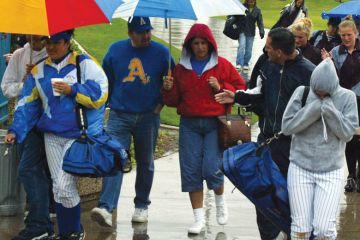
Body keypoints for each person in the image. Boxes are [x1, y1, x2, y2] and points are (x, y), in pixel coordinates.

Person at [4, 29, 108, 240]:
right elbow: (27, 104)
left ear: (67, 41)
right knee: (57, 187)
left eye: (56, 43)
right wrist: (15, 130)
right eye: (48, 42)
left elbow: (102, 93)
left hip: (75, 136)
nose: (50, 47)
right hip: (51, 135)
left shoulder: (84, 64)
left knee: (64, 185)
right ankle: (68, 232)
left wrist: (73, 90)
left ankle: (74, 230)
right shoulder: (39, 70)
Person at [215, 27, 315, 240]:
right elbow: (257, 92)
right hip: (267, 142)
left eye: (269, 48)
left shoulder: (309, 72)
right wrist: (237, 97)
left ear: (279, 51)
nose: (265, 50)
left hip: (296, 149)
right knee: (263, 196)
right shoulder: (267, 64)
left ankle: (292, 234)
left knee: (293, 200)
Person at [162, 23, 246, 234]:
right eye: (195, 43)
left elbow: (241, 88)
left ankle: (219, 200)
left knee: (211, 168)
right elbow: (173, 101)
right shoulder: (180, 69)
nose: (199, 47)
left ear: (210, 44)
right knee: (190, 170)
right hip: (189, 125)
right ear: (189, 45)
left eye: (203, 43)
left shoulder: (223, 66)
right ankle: (198, 219)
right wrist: (168, 89)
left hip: (214, 123)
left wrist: (221, 87)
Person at [90, 16, 174, 227]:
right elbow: (106, 80)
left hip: (148, 116)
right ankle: (106, 207)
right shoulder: (115, 50)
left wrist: (163, 99)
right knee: (115, 158)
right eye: (140, 32)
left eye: (148, 31)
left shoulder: (162, 53)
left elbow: (174, 84)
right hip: (120, 115)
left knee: (146, 162)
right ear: (130, 33)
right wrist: (107, 105)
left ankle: (142, 205)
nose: (146, 36)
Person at [282, 58, 359, 239]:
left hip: (331, 169)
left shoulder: (347, 97)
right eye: (318, 93)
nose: (321, 96)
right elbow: (287, 127)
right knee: (300, 228)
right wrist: (315, 108)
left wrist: (330, 111)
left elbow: (347, 134)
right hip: (300, 166)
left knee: (324, 229)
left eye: (325, 94)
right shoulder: (302, 93)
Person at [1, 35, 54, 240]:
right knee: (29, 170)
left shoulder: (53, 56)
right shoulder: (19, 56)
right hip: (26, 122)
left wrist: (38, 78)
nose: (37, 42)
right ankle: (39, 219)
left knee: (38, 170)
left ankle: (42, 220)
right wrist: (25, 83)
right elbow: (7, 88)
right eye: (33, 37)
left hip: (48, 121)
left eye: (42, 38)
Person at [322, 16, 360, 193]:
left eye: (349, 35)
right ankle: (351, 174)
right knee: (349, 138)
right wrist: (327, 64)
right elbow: (333, 78)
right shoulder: (336, 52)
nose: (346, 38)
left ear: (356, 33)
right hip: (345, 102)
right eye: (343, 35)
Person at [235, 0, 265, 71]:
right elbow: (235, 16)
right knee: (241, 46)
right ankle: (239, 63)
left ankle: (246, 63)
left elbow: (260, 22)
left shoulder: (257, 10)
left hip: (251, 32)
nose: (251, 1)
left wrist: (261, 31)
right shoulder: (241, 7)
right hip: (242, 30)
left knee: (249, 49)